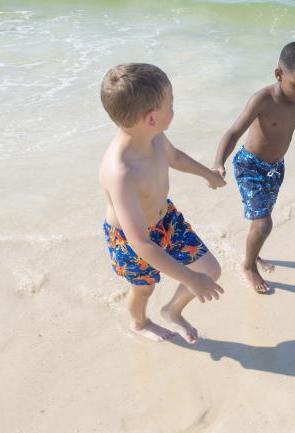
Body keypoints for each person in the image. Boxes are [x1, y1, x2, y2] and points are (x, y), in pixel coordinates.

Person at [99, 63, 225, 343]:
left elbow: (174, 157)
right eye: (171, 105)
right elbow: (140, 243)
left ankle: (172, 311)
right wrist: (189, 279)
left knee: (210, 270)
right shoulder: (121, 172)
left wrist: (208, 175)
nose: (174, 110)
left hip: (165, 221)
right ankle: (139, 323)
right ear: (151, 118)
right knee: (144, 288)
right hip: (130, 240)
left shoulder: (154, 136)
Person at [212, 42, 295, 294]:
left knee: (261, 221)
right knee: (264, 223)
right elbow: (233, 132)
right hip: (249, 166)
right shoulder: (262, 99)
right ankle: (248, 266)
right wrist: (219, 162)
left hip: (275, 170)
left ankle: (254, 254)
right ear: (278, 74)